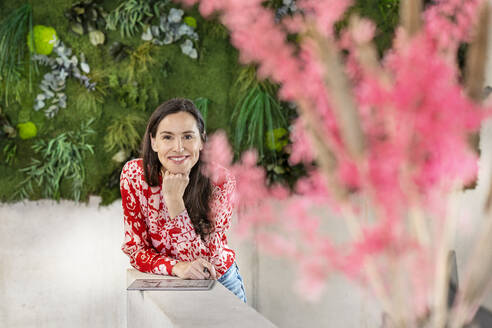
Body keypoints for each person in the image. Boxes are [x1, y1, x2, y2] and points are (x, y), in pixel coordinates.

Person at [120, 98, 247, 303]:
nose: (178, 147)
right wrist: (176, 267)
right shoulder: (135, 175)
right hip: (171, 281)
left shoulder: (221, 181)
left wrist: (174, 201)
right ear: (154, 142)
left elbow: (204, 267)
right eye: (167, 137)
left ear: (202, 140)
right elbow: (136, 250)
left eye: (188, 136)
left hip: (220, 283)